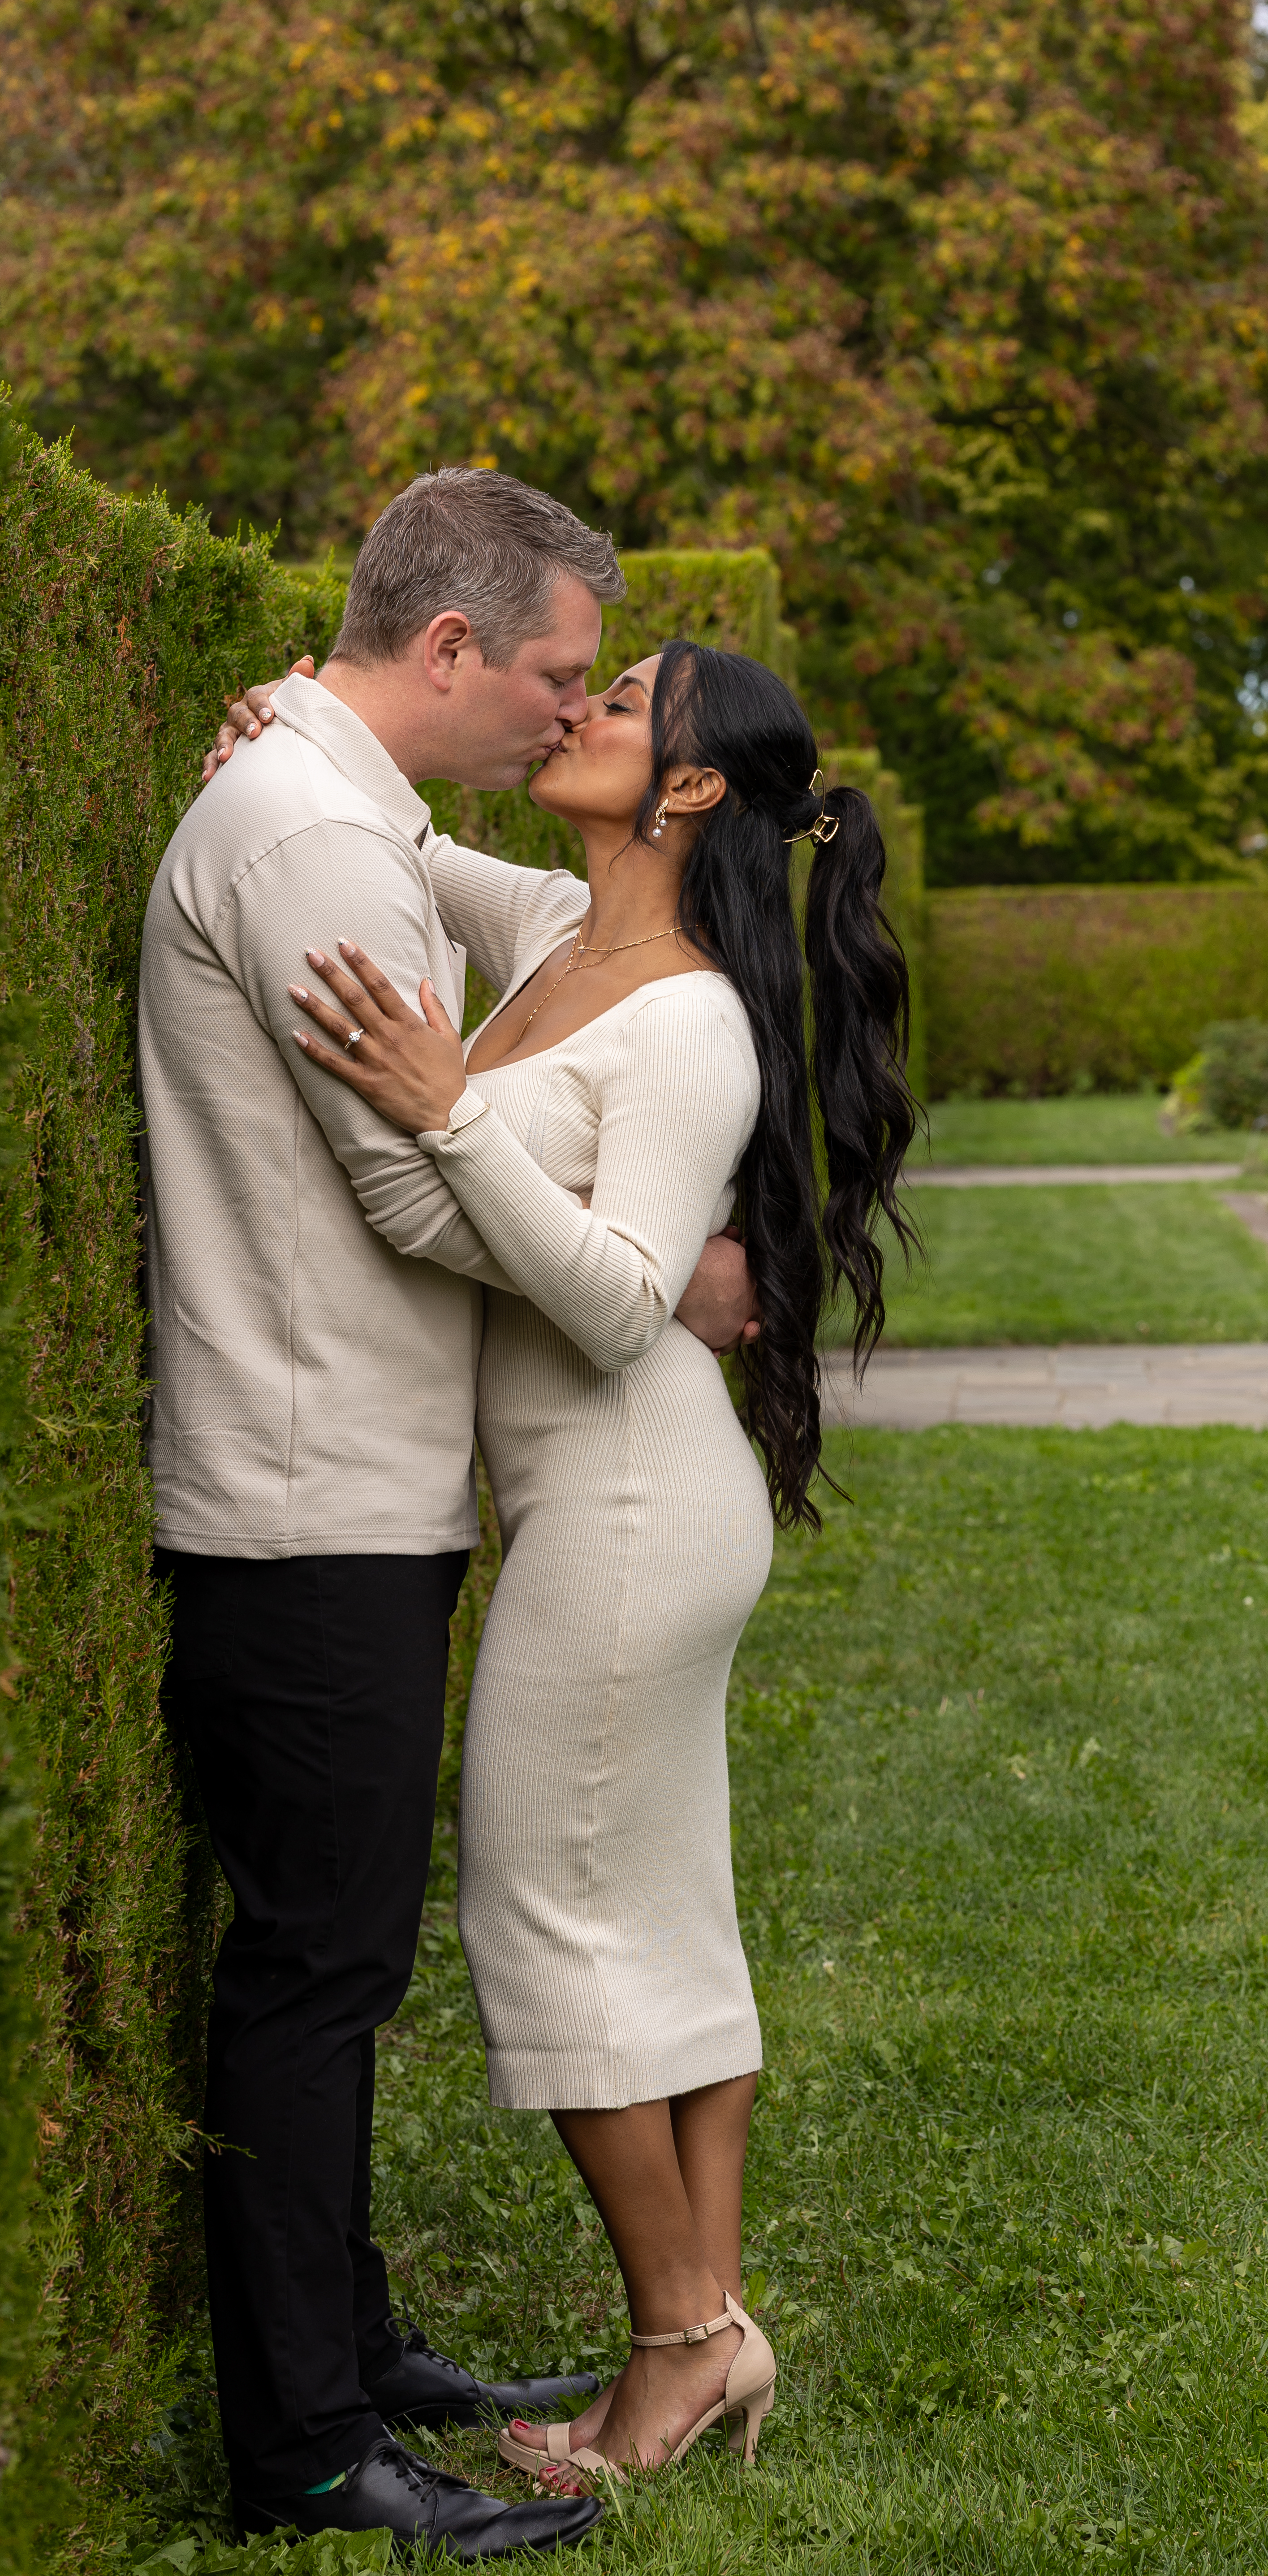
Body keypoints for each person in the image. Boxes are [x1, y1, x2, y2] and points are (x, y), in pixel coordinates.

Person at [142, 468, 758, 2557]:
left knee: (341, 1966)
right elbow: (409, 1182)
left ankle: (373, 2359)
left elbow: (528, 961)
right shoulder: (322, 829)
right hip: (308, 1488)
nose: (571, 715)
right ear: (449, 651)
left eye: (614, 697)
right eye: (562, 676)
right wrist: (647, 1263)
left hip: (381, 1480)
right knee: (320, 1975)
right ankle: (309, 2447)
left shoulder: (353, 823)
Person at [279, 635, 918, 2490]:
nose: (575, 716)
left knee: (545, 1925)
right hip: (618, 1511)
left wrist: (447, 1114)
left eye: (618, 705)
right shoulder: (564, 928)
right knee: (659, 1923)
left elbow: (638, 1299)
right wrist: (292, 718)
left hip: (629, 1515)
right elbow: (385, 831)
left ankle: (674, 2352)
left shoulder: (693, 1018)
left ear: (694, 787)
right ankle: (712, 2334)